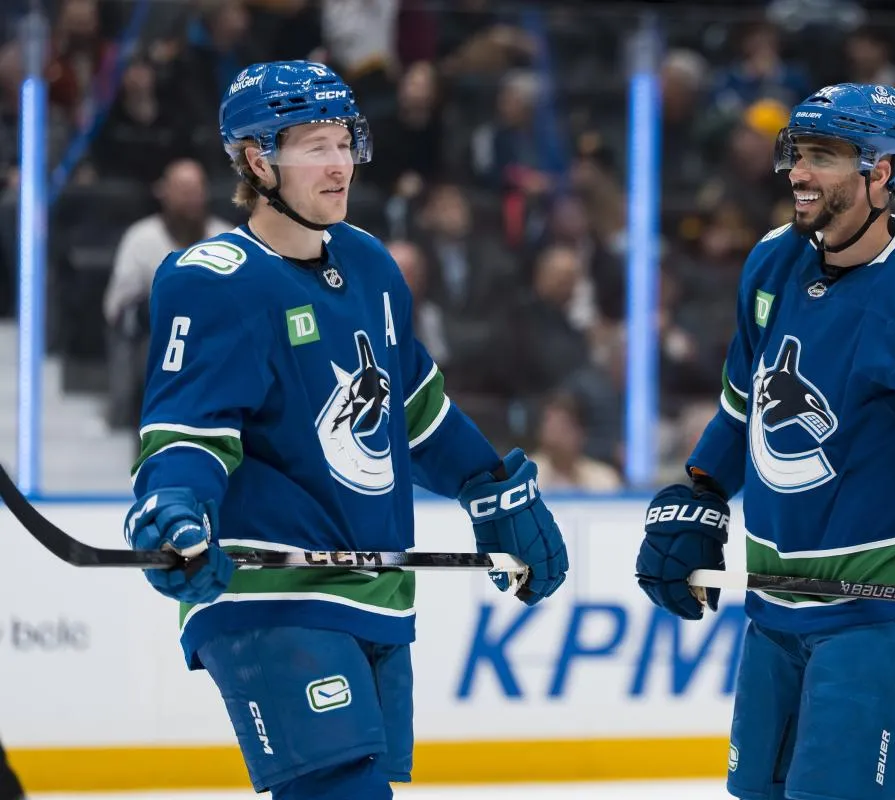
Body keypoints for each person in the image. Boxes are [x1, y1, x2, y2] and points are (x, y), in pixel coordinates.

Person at [122, 61, 568, 800]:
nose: (341, 166)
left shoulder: (367, 262)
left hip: (376, 593)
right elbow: (188, 435)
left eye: (345, 142)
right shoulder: (215, 279)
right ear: (258, 160)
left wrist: (491, 489)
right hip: (273, 595)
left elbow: (417, 414)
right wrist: (174, 508)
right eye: (316, 147)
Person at [635, 83, 895, 800]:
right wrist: (699, 492)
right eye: (797, 152)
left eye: (823, 155)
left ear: (880, 173)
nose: (798, 171)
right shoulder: (771, 263)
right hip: (775, 604)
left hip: (881, 612)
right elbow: (741, 409)